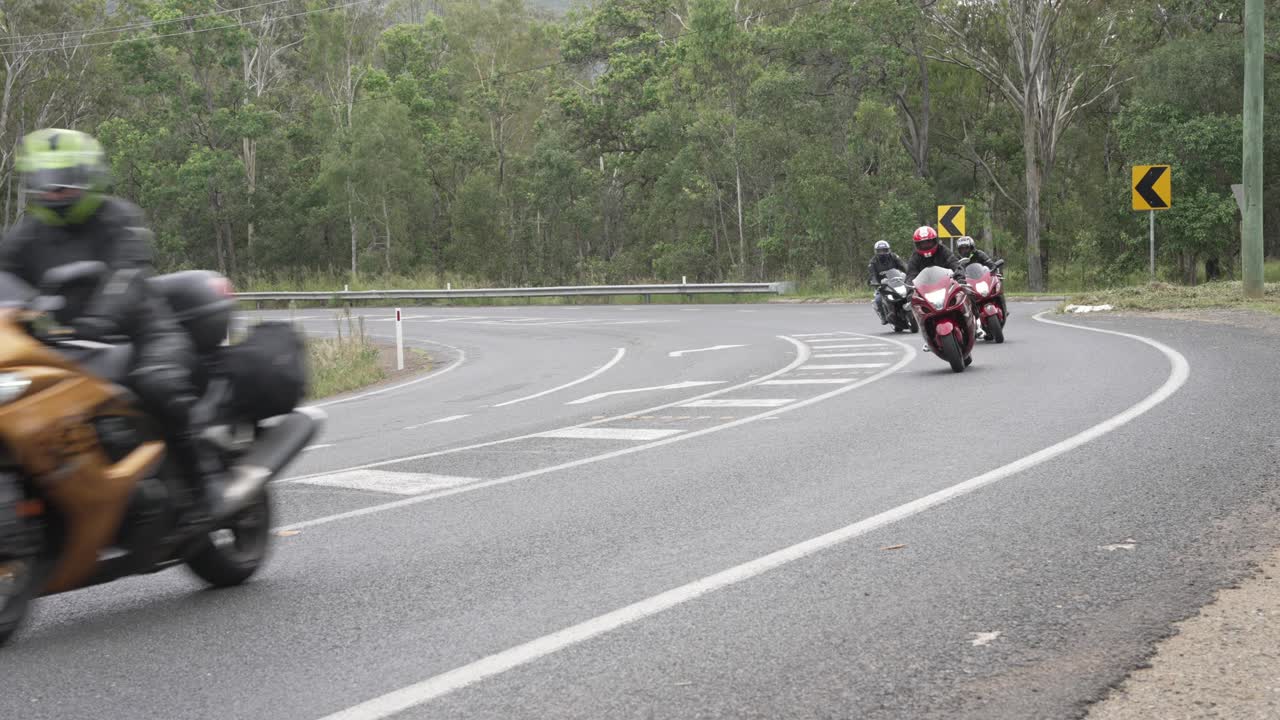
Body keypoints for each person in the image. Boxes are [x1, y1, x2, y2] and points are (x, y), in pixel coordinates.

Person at [0, 128, 225, 527]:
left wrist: (100, 319)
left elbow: (126, 274)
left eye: (67, 178)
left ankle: (202, 485)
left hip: (142, 334)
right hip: (66, 346)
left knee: (158, 385)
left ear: (89, 175)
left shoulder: (118, 218)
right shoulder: (27, 234)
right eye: (46, 181)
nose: (56, 190)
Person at [955, 235, 1009, 318]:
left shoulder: (979, 254)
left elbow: (989, 263)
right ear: (959, 250)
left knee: (997, 284)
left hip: (982, 279)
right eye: (962, 249)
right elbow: (954, 270)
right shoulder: (957, 259)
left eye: (966, 248)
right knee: (961, 297)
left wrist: (993, 267)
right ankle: (971, 317)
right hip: (969, 284)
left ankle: (1004, 309)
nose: (964, 251)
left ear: (972, 247)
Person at [866, 240, 906, 324]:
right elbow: (872, 275)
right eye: (880, 251)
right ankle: (883, 316)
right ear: (876, 252)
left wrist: (909, 274)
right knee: (878, 299)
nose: (882, 253)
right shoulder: (873, 262)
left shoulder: (894, 257)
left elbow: (903, 266)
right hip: (882, 285)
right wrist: (875, 282)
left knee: (910, 292)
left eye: (884, 250)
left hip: (897, 281)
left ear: (888, 250)